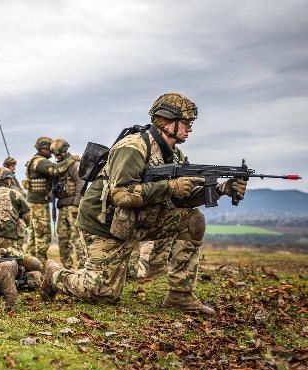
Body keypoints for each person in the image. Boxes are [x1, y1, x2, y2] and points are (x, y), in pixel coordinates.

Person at [41, 93, 247, 315]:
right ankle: (54, 274)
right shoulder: (132, 147)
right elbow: (122, 195)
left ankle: (180, 295)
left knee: (193, 220)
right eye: (186, 123)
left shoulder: (175, 154)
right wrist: (170, 187)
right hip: (104, 226)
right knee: (101, 293)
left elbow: (182, 198)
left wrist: (220, 189)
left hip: (139, 221)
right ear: (169, 121)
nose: (190, 129)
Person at [24, 137, 79, 263]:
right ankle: (40, 266)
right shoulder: (40, 161)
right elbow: (55, 169)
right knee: (43, 236)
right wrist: (72, 159)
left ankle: (30, 265)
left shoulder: (36, 160)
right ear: (43, 148)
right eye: (50, 150)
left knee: (33, 237)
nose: (52, 153)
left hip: (36, 203)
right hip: (39, 205)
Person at [50, 138, 85, 269]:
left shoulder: (74, 165)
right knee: (63, 239)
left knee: (77, 238)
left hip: (73, 207)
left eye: (58, 154)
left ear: (65, 151)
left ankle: (83, 268)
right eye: (55, 155)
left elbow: (81, 183)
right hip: (62, 207)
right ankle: (67, 267)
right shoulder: (59, 168)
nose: (56, 157)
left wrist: (77, 204)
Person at [0, 166, 31, 250]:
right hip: (9, 237)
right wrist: (24, 224)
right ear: (7, 179)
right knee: (12, 260)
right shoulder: (14, 193)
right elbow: (27, 215)